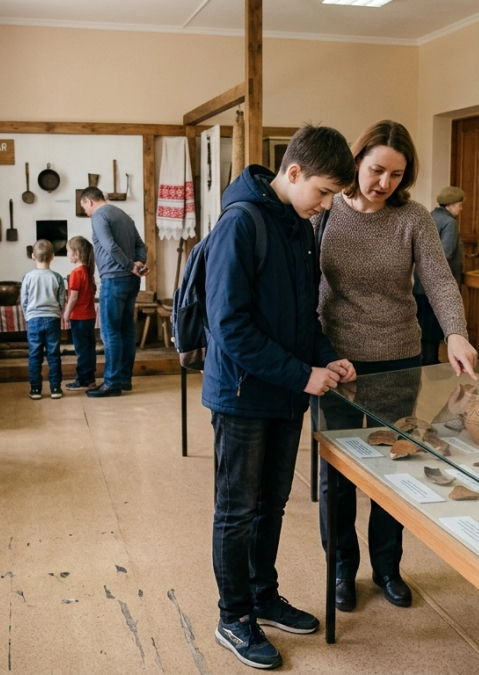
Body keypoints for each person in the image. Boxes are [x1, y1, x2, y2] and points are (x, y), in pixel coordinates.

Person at [204, 124, 358, 670]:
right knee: (237, 510)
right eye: (320, 193)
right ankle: (233, 615)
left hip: (284, 391)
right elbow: (229, 327)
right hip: (243, 394)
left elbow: (303, 314)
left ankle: (262, 595)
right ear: (292, 174)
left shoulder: (300, 225)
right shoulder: (240, 224)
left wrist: (324, 355)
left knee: (272, 503)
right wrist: (301, 374)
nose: (322, 206)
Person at [316, 120, 477, 614]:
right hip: (338, 361)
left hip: (399, 359)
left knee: (394, 465)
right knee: (338, 475)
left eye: (396, 174)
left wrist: (456, 332)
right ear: (357, 161)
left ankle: (388, 566)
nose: (383, 182)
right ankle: (343, 567)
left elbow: (440, 279)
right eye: (375, 169)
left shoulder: (412, 218)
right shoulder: (325, 214)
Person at [81, 188, 147, 398]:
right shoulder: (123, 214)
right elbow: (141, 245)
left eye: (84, 208)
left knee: (109, 332)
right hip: (131, 280)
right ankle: (124, 379)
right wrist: (138, 263)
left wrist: (130, 265)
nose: (85, 213)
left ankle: (112, 383)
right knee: (126, 330)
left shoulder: (100, 215)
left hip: (114, 279)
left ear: (89, 201)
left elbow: (109, 246)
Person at [414, 186, 465, 365]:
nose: (461, 209)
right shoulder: (450, 223)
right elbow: (446, 252)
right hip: (436, 287)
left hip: (420, 285)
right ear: (451, 205)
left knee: (424, 330)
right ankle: (432, 369)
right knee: (433, 333)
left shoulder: (429, 216)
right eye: (460, 205)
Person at [20, 240, 66, 400]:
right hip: (53, 319)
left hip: (33, 320)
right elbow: (62, 300)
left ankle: (35, 390)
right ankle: (55, 388)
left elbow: (24, 301)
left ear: (33, 257)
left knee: (34, 355)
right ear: (53, 257)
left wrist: (28, 315)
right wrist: (57, 313)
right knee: (53, 355)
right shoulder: (57, 277)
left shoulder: (28, 277)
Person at [62, 236, 98, 391]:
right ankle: (90, 379)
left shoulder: (76, 273)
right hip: (90, 316)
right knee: (89, 349)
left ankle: (83, 379)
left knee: (82, 350)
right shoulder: (88, 272)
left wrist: (66, 312)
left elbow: (74, 296)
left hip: (79, 317)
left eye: (68, 251)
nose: (67, 254)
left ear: (76, 254)